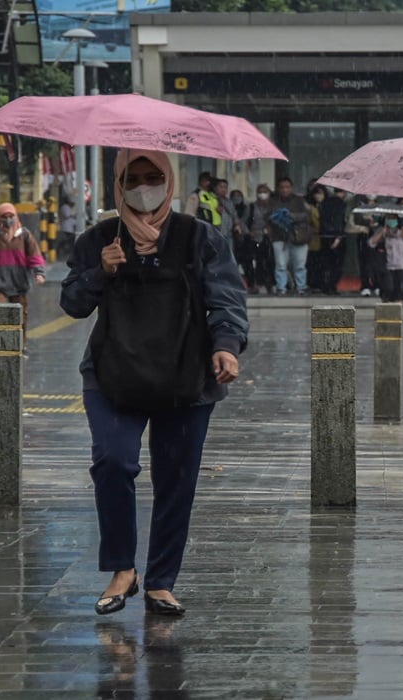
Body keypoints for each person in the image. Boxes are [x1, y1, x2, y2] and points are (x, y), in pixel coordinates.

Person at [60, 148, 248, 617]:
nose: (145, 187)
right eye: (133, 178)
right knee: (113, 461)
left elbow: (226, 298)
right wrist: (100, 271)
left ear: (169, 179)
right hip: (113, 375)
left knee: (176, 480)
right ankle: (123, 568)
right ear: (118, 185)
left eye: (153, 176)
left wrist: (226, 345)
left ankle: (161, 581)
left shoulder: (200, 237)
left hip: (186, 377)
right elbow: (73, 303)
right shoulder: (100, 238)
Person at [0, 202, 47, 354]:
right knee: (1, 313)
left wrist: (39, 273)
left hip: (19, 284)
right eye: (4, 217)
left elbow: (34, 255)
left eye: (10, 216)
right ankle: (3, 344)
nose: (8, 220)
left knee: (21, 316)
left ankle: (21, 344)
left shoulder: (24, 235)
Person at [269, 177, 311, 296]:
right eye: (282, 187)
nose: (284, 190)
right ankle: (281, 287)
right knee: (281, 265)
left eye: (287, 187)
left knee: (299, 264)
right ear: (278, 189)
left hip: (298, 236)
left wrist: (291, 216)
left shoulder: (299, 200)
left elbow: (307, 215)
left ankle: (301, 287)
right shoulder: (273, 201)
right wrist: (278, 218)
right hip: (279, 236)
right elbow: (268, 215)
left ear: (291, 188)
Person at [242, 183, 276, 294]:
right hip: (255, 238)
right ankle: (259, 284)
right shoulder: (251, 207)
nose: (262, 194)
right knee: (257, 262)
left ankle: (272, 283)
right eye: (260, 192)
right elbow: (243, 222)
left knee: (271, 262)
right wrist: (248, 232)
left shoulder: (274, 206)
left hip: (271, 238)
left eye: (265, 192)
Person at [369, 215, 403, 302]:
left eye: (394, 219)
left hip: (402, 265)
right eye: (389, 218)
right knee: (388, 288)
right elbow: (371, 243)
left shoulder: (402, 232)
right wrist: (382, 232)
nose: (392, 221)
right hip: (387, 266)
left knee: (400, 291)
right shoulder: (382, 232)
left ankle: (398, 305)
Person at [319, 187, 349, 295]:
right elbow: (338, 221)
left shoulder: (324, 203)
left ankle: (325, 286)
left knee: (326, 263)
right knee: (337, 264)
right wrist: (338, 237)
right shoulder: (340, 204)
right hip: (336, 236)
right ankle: (332, 286)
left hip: (324, 236)